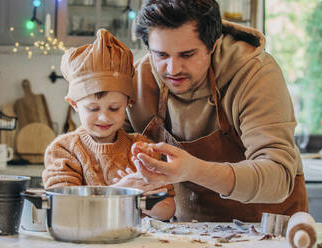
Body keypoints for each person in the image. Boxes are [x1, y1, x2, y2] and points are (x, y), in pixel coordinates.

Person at [118, 0, 308, 222]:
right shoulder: (138, 80)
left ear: (213, 45)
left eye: (187, 55)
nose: (173, 69)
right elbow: (109, 153)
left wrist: (194, 170)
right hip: (189, 233)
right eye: (161, 55)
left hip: (269, 231)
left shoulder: (254, 73)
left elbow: (278, 178)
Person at [42, 29, 175, 221]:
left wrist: (141, 197)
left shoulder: (141, 148)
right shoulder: (64, 150)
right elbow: (64, 209)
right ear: (74, 104)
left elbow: (168, 209)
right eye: (93, 109)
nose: (103, 117)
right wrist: (121, 193)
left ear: (128, 104)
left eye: (114, 108)